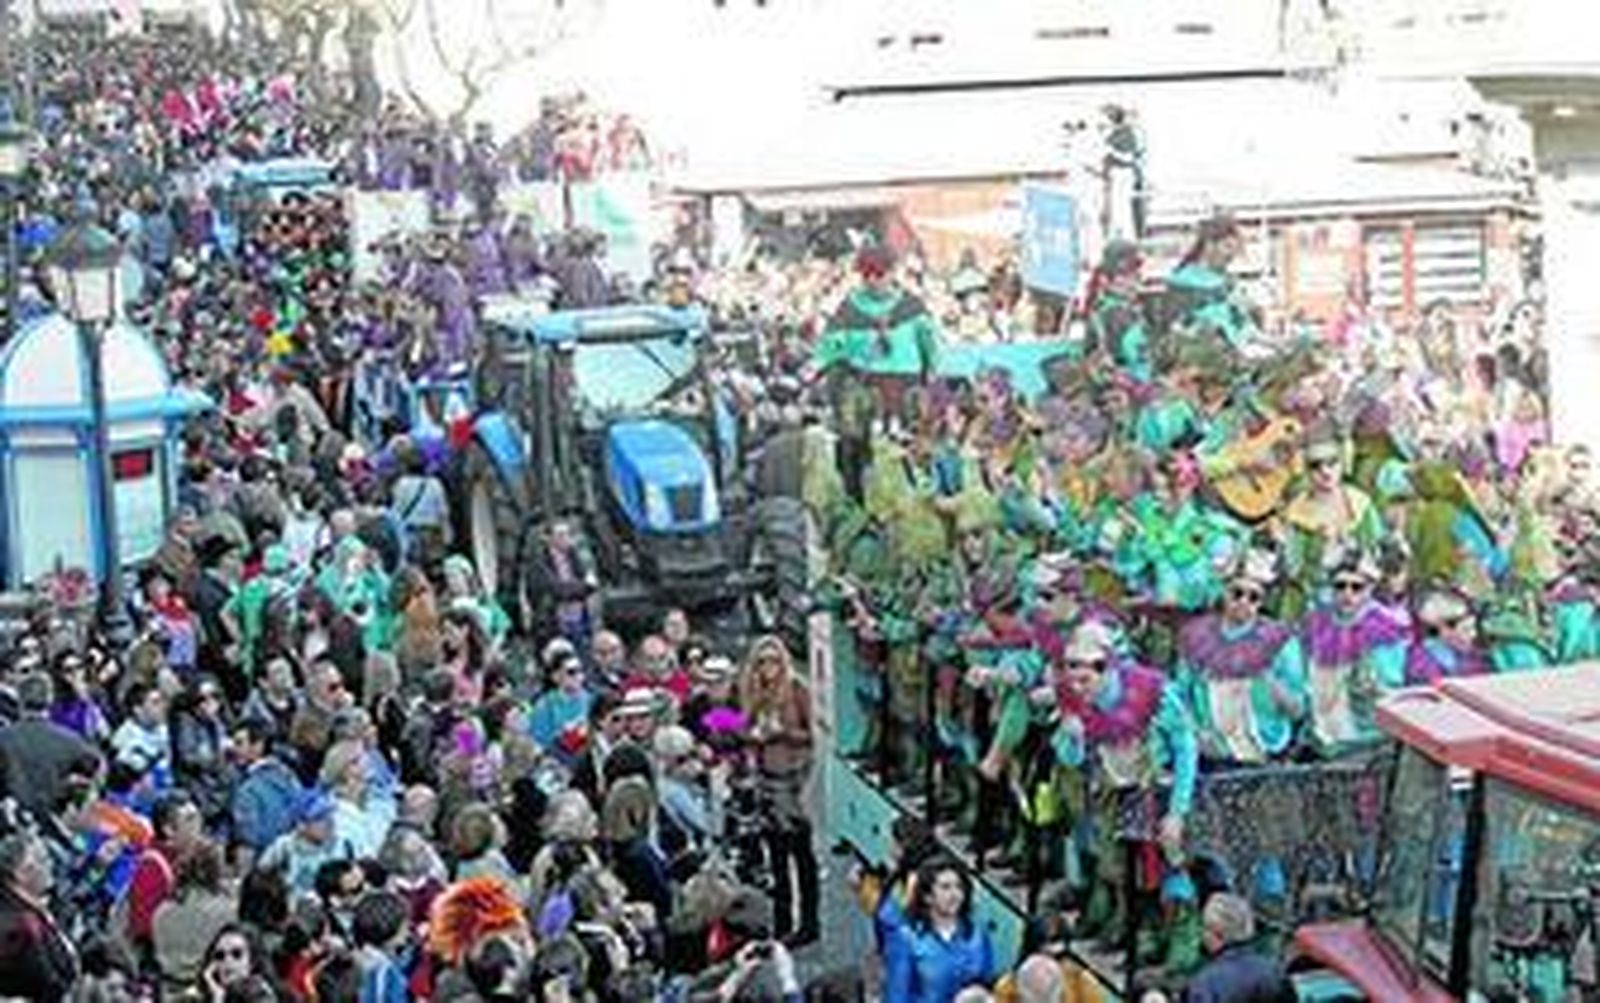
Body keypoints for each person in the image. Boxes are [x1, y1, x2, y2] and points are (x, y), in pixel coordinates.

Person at [739, 635, 819, 945]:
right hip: (765, 780)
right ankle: (783, 922)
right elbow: (734, 724)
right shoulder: (751, 691)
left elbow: (811, 734)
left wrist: (781, 732)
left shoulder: (797, 689)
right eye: (761, 662)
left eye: (773, 660)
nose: (767, 668)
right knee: (776, 858)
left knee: (802, 856)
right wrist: (748, 733)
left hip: (794, 780)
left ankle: (809, 924)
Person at [882, 858, 994, 1003]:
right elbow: (897, 996)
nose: (955, 895)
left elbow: (988, 984)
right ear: (927, 896)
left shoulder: (977, 935)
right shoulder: (906, 937)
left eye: (959, 887)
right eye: (945, 887)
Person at [0, 672, 98, 817]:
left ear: (20, 699)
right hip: (55, 818)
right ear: (50, 699)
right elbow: (96, 766)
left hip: (14, 821)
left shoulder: (4, 738)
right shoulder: (70, 741)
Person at [0, 829, 79, 1001]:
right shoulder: (9, 923)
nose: (50, 864)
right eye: (42, 860)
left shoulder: (47, 906)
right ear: (20, 873)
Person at [1178, 894, 1295, 1003]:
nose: (1202, 934)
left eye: (1204, 927)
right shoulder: (1273, 971)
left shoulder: (1206, 983)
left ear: (1215, 931)